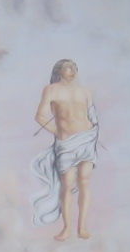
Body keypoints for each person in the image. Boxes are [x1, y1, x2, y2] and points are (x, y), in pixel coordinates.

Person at [32, 58, 98, 241]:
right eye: (68, 68)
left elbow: (92, 115)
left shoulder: (85, 91)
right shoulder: (51, 90)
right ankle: (67, 228)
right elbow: (40, 116)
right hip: (66, 144)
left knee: (84, 181)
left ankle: (82, 227)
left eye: (74, 67)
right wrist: (58, 132)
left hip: (87, 139)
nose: (72, 71)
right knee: (67, 185)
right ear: (59, 71)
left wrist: (94, 130)